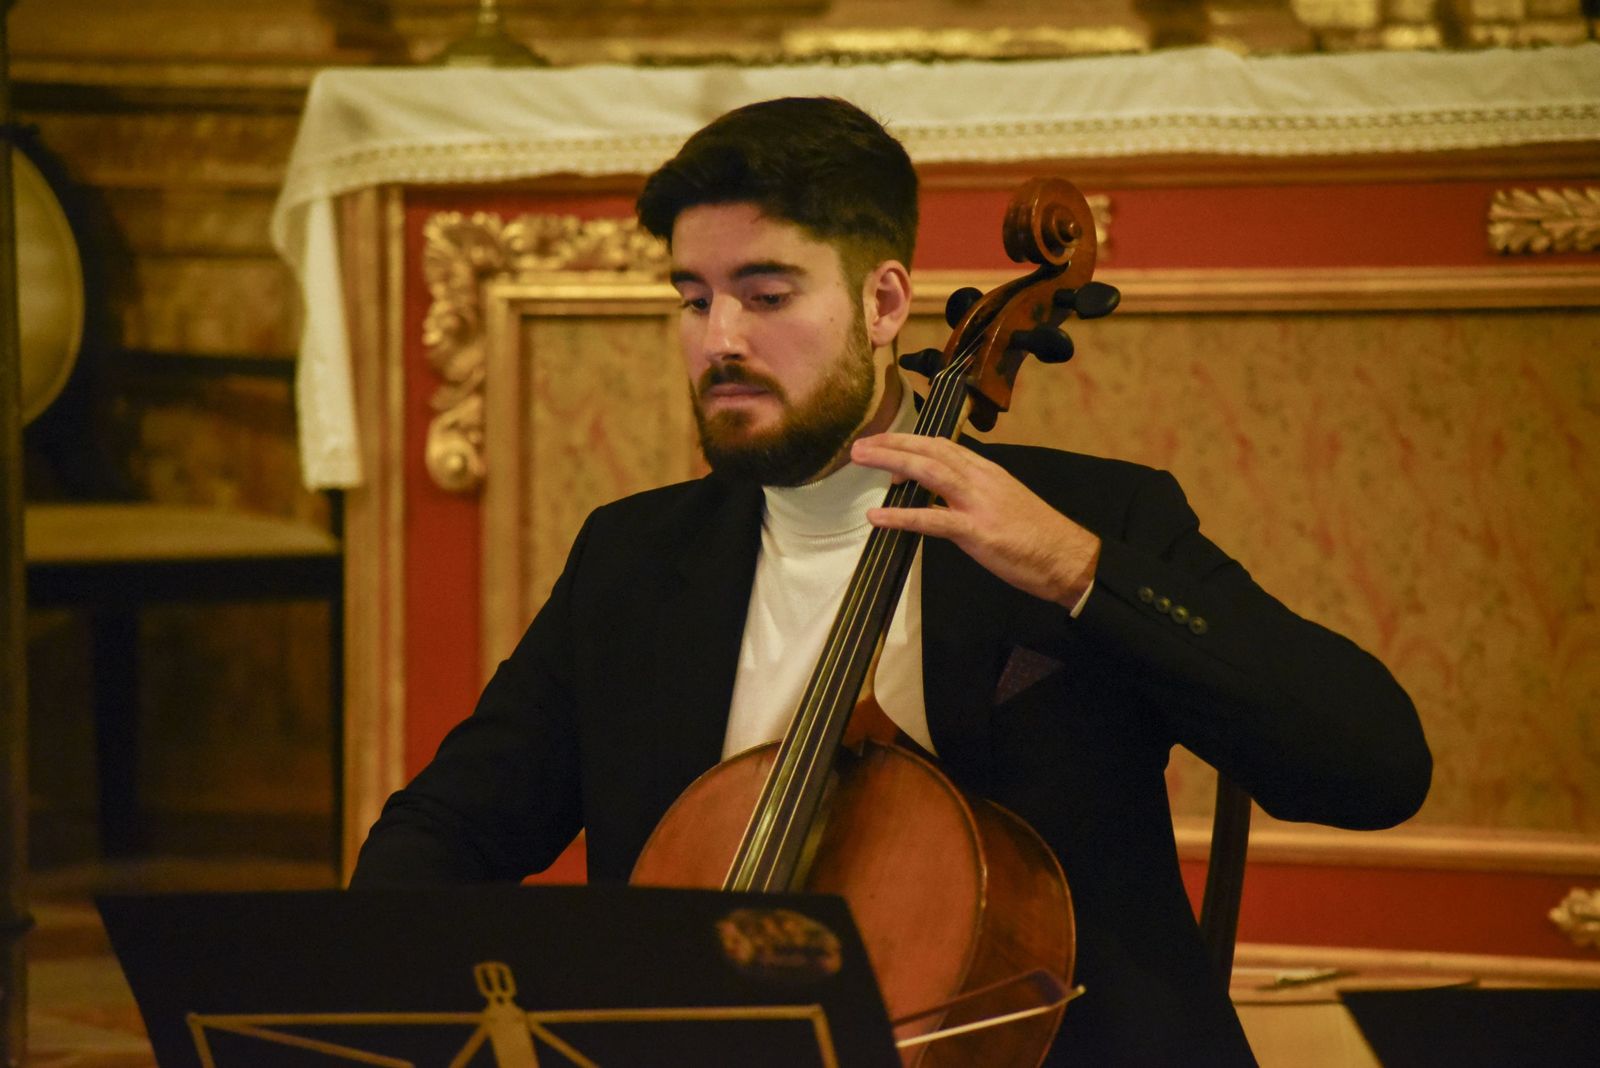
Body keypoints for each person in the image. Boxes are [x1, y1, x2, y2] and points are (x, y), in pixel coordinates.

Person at [351, 96, 1431, 1066]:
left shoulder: (1092, 520)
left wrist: (1078, 574)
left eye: (765, 293)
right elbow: (448, 829)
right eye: (692, 298)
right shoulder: (634, 559)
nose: (720, 340)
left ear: (881, 303)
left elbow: (1372, 767)